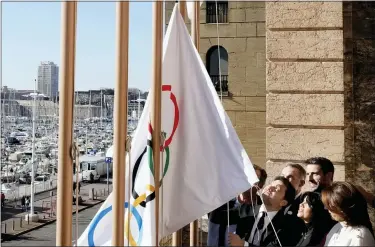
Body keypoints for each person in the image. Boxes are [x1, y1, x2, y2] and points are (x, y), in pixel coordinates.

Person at [229, 176, 303, 247]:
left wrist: (243, 245)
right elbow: (220, 216)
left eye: (277, 189)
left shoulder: (287, 226)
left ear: (283, 202)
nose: (270, 187)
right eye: (270, 184)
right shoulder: (245, 209)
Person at [207, 165, 267, 247]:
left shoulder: (262, 208)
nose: (249, 182)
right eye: (247, 177)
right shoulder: (222, 202)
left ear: (260, 185)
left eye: (255, 179)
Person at [322, 182, 375, 246]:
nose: (327, 209)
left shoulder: (359, 236)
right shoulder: (337, 227)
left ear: (343, 208)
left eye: (330, 206)